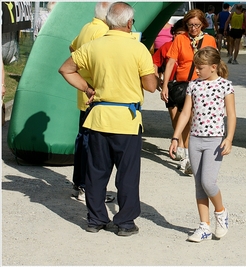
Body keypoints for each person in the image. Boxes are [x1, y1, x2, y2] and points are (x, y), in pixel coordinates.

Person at [58, 2, 158, 236]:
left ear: (109, 21)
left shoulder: (94, 46)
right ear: (130, 22)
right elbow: (151, 86)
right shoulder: (138, 48)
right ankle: (124, 222)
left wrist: (87, 88)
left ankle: (95, 219)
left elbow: (65, 69)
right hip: (127, 119)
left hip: (99, 116)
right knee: (128, 174)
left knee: (96, 171)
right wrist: (152, 69)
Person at [169, 46, 236, 242]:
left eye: (200, 67)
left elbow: (231, 114)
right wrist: (175, 137)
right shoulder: (193, 85)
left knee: (208, 182)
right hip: (195, 140)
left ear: (213, 67)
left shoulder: (225, 86)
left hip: (215, 140)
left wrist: (229, 138)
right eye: (195, 67)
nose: (197, 70)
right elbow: (185, 113)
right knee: (198, 184)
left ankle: (221, 212)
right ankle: (204, 226)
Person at [161, 9, 217, 175]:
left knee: (195, 121)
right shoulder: (180, 38)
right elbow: (171, 62)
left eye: (197, 25)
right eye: (190, 25)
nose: (193, 28)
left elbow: (215, 64)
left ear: (203, 24)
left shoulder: (209, 40)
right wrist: (165, 85)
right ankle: (187, 155)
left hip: (203, 85)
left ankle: (190, 153)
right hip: (184, 85)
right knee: (187, 118)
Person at [69, 2, 114, 203]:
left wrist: (82, 72)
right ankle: (87, 188)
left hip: (83, 91)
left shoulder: (87, 27)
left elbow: (72, 46)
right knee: (92, 143)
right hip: (95, 93)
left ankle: (79, 183)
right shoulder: (104, 32)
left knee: (82, 138)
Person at [152, 19, 186, 160]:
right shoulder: (167, 47)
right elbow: (154, 62)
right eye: (177, 34)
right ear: (173, 34)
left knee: (187, 118)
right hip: (171, 86)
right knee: (174, 118)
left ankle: (184, 148)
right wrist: (157, 79)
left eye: (183, 34)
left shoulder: (191, 46)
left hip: (187, 85)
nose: (180, 37)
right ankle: (179, 144)